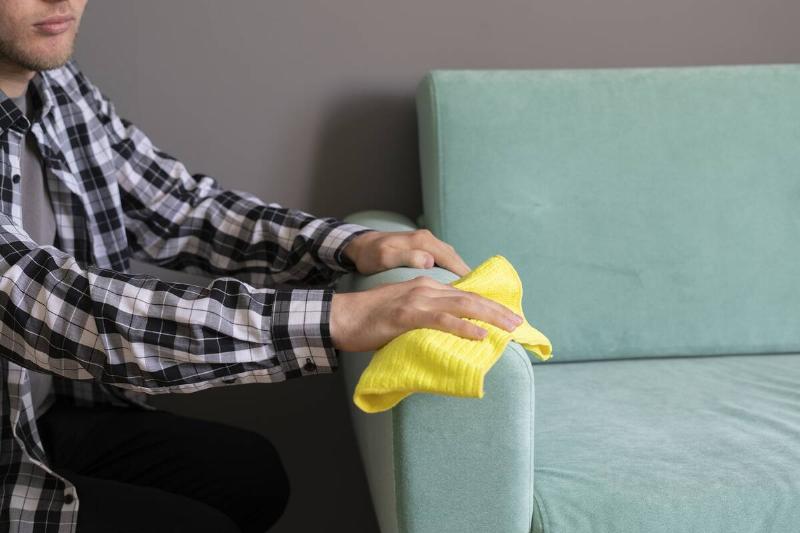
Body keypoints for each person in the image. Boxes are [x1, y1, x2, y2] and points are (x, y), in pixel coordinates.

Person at [0, 1, 525, 532]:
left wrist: (349, 244)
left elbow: (182, 211)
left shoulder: (58, 85)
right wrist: (337, 319)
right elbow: (58, 308)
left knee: (252, 475)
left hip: (41, 415)